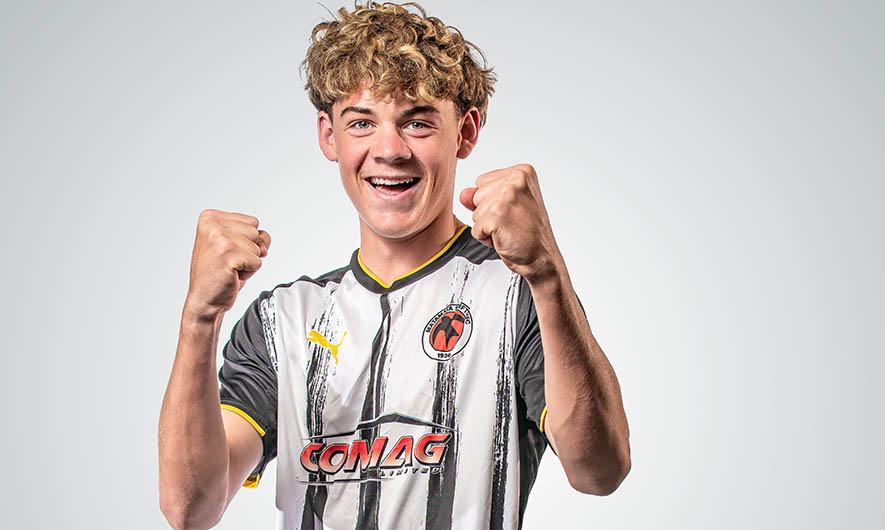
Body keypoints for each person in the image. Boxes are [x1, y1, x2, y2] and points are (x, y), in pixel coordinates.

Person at [158, 3, 630, 529]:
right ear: (329, 136)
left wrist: (547, 272)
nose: (389, 149)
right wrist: (199, 319)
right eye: (362, 122)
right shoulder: (281, 321)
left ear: (466, 131)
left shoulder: (517, 295)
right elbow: (190, 508)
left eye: (417, 122)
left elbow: (600, 471)